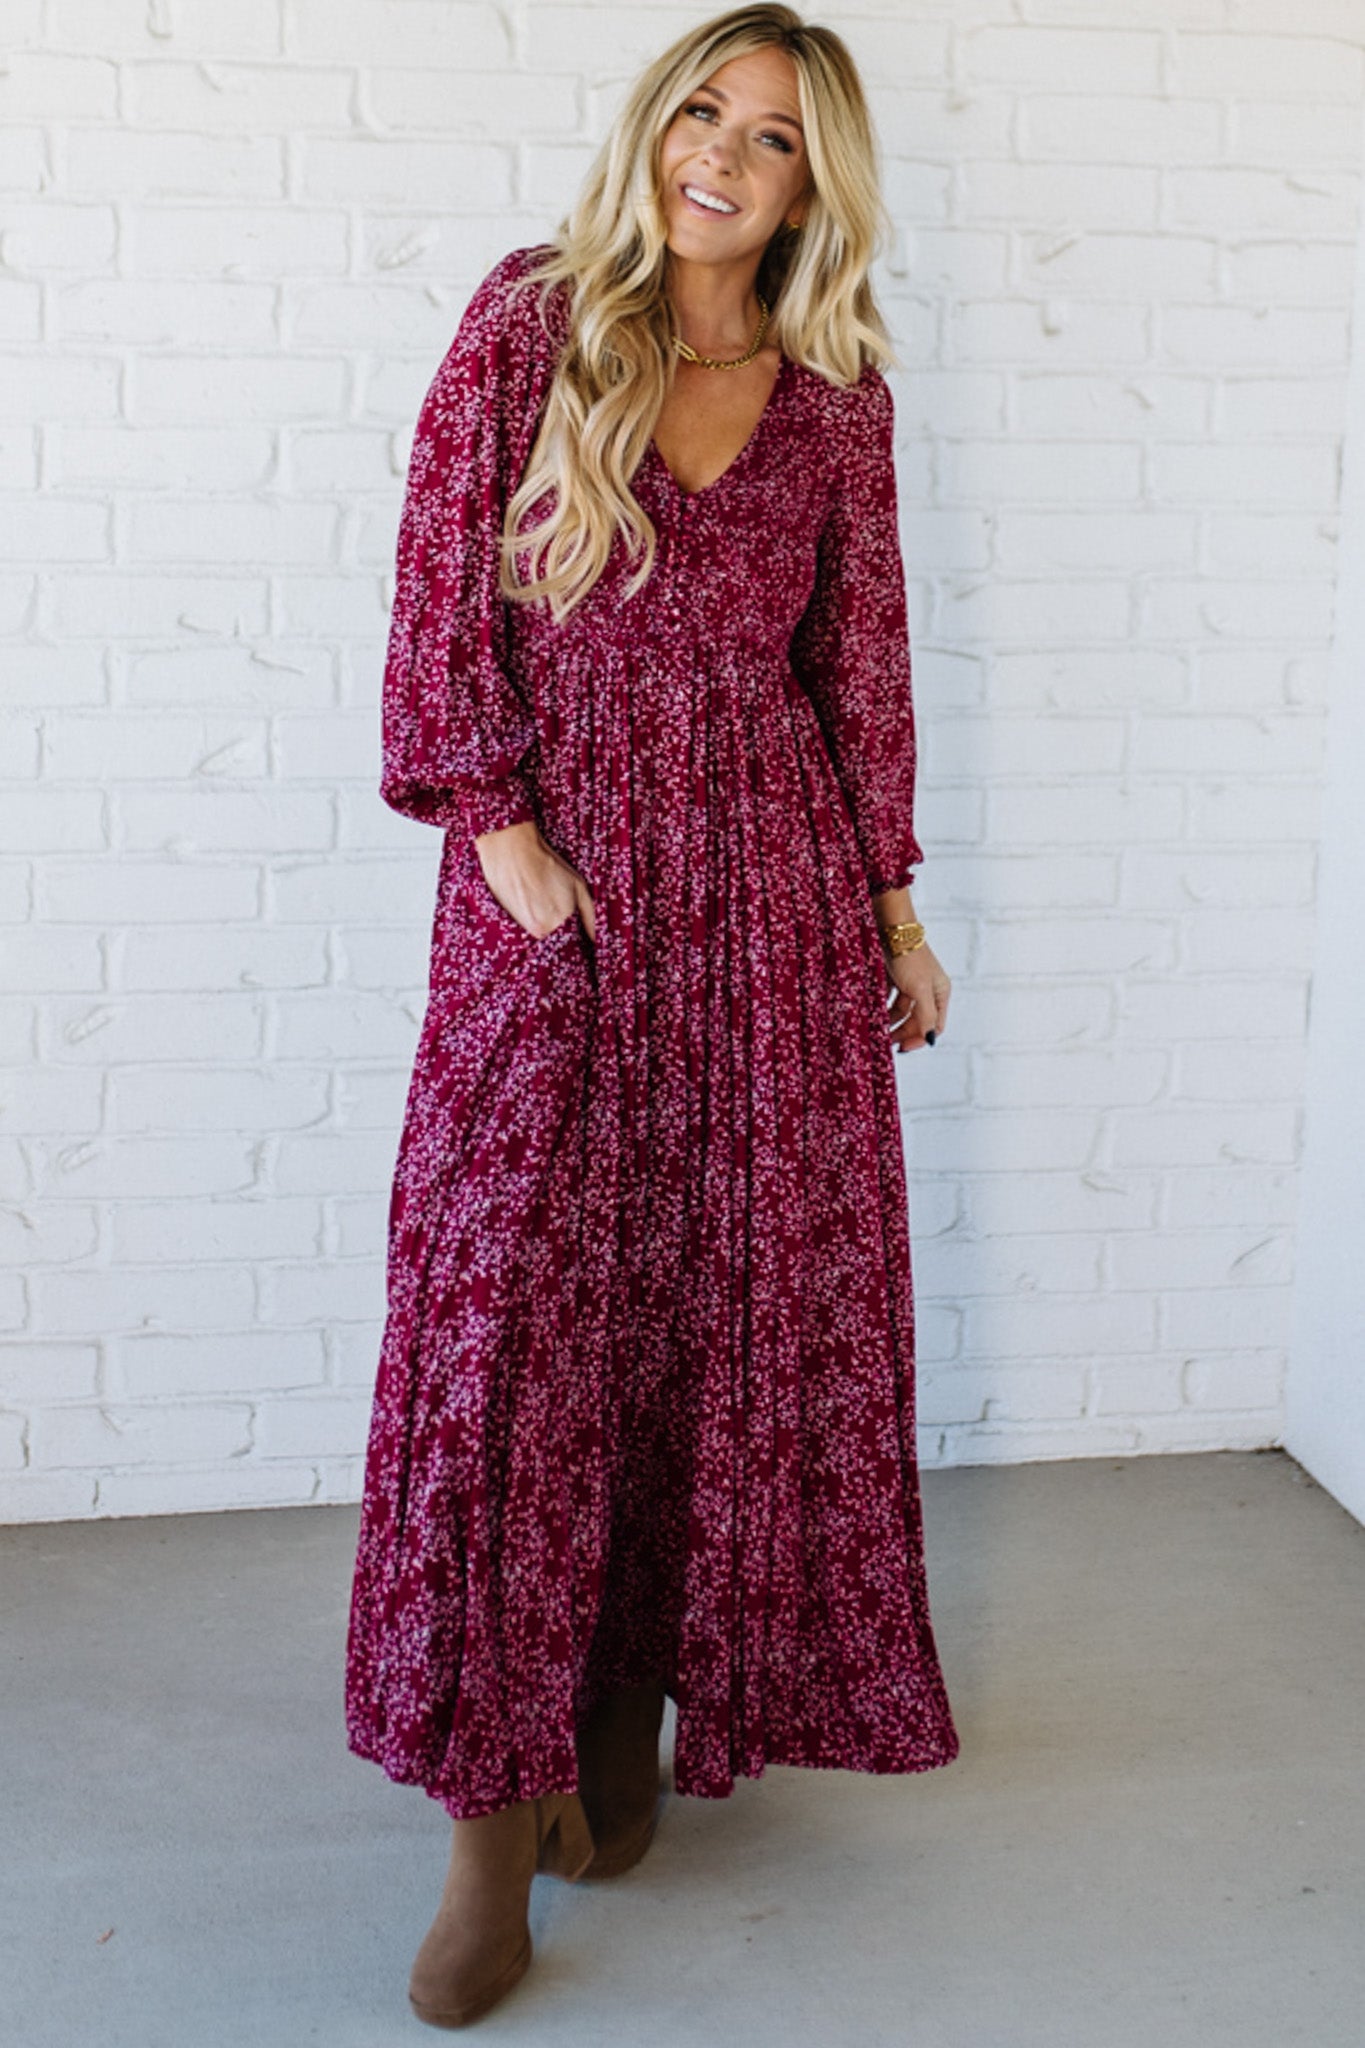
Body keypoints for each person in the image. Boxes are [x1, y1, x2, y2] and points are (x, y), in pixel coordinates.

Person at [344, 2, 960, 2026]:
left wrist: (887, 903)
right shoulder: (530, 322)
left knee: (700, 1316)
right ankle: (482, 1827)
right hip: (554, 909)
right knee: (509, 1330)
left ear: (812, 186)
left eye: (771, 136)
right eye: (702, 108)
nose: (720, 152)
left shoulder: (835, 399)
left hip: (765, 912)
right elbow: (438, 581)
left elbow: (852, 660)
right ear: (655, 127)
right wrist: (499, 833)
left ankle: (623, 1719)